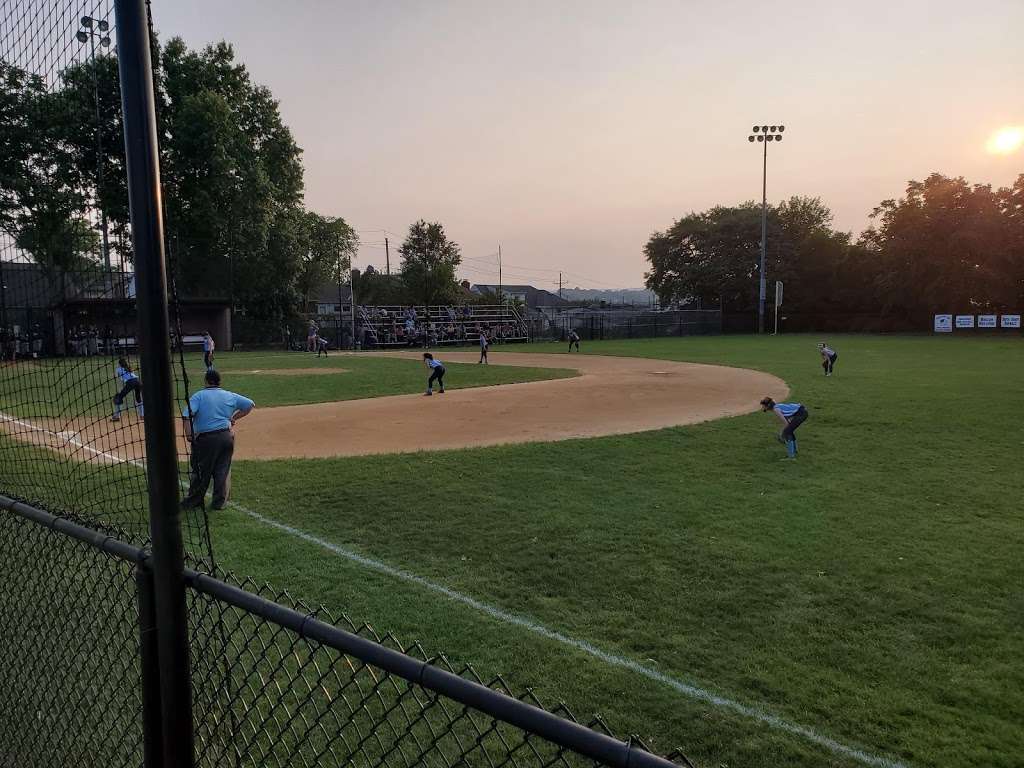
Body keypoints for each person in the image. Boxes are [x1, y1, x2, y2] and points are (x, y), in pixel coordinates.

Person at [181, 369, 255, 510]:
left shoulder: (199, 396)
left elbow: (187, 415)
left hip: (206, 439)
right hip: (227, 437)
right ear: (220, 381)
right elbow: (250, 404)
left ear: (206, 381)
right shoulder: (229, 395)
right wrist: (233, 418)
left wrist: (189, 435)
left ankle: (194, 501)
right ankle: (219, 503)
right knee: (222, 470)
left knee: (201, 470)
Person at [112, 357, 144, 422]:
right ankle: (142, 415)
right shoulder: (129, 368)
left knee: (118, 397)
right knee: (138, 398)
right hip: (138, 381)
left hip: (130, 383)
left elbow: (115, 377)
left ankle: (116, 416)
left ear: (119, 364)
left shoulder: (118, 369)